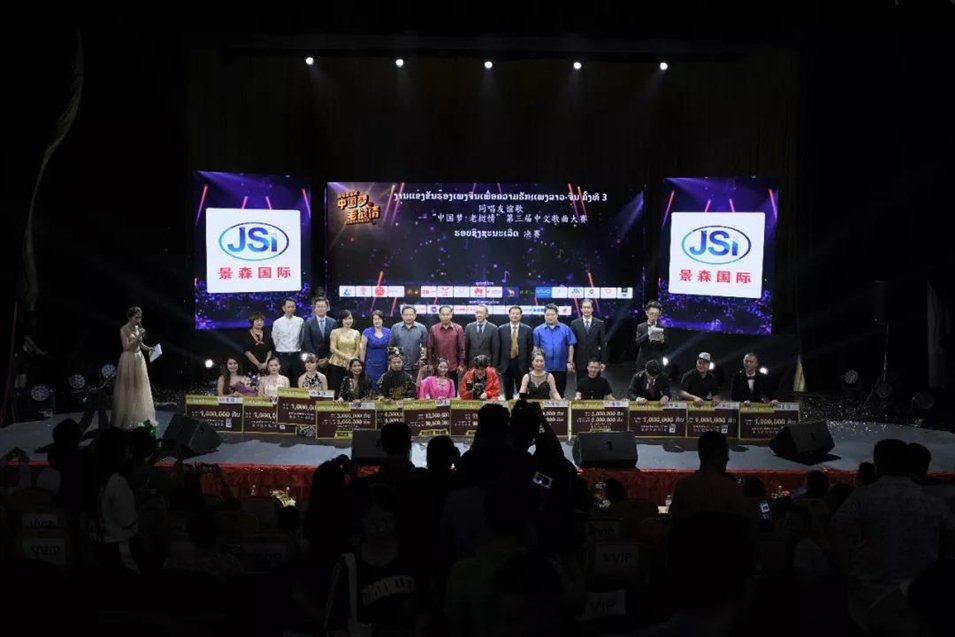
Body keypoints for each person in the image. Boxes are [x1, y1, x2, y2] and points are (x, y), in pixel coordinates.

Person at [111, 306, 156, 430]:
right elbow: (126, 347)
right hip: (128, 359)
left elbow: (139, 344)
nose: (138, 320)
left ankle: (140, 418)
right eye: (136, 318)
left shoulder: (137, 327)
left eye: (140, 317)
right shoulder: (123, 329)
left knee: (139, 387)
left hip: (138, 358)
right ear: (129, 317)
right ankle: (127, 419)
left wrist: (149, 348)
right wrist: (138, 336)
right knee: (129, 388)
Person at [496, 305, 533, 400]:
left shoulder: (527, 329)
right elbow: (498, 348)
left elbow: (530, 349)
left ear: (521, 316)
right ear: (509, 315)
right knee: (508, 392)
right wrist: (498, 365)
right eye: (513, 313)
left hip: (522, 365)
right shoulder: (501, 329)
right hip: (506, 364)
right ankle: (508, 408)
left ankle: (522, 408)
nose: (515, 315)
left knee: (523, 392)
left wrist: (530, 365)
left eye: (517, 313)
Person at [569, 299, 607, 377]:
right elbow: (572, 344)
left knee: (595, 383)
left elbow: (603, 344)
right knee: (580, 383)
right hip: (579, 361)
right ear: (581, 309)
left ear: (592, 309)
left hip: (594, 361)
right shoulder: (574, 323)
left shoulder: (600, 323)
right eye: (584, 307)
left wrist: (603, 361)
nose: (586, 310)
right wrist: (571, 361)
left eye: (588, 307)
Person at [360, 309, 391, 386]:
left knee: (383, 383)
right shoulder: (366, 332)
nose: (377, 321)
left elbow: (390, 348)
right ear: (372, 320)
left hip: (384, 362)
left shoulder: (388, 331)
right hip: (370, 363)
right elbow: (362, 349)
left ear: (383, 320)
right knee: (370, 383)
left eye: (379, 319)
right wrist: (361, 364)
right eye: (375, 319)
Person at [634, 300, 666, 371]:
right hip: (642, 361)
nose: (653, 317)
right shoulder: (641, 327)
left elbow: (666, 347)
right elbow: (638, 343)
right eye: (651, 314)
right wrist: (649, 333)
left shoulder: (662, 328)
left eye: (656, 314)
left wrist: (663, 341)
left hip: (657, 362)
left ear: (659, 314)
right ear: (646, 313)